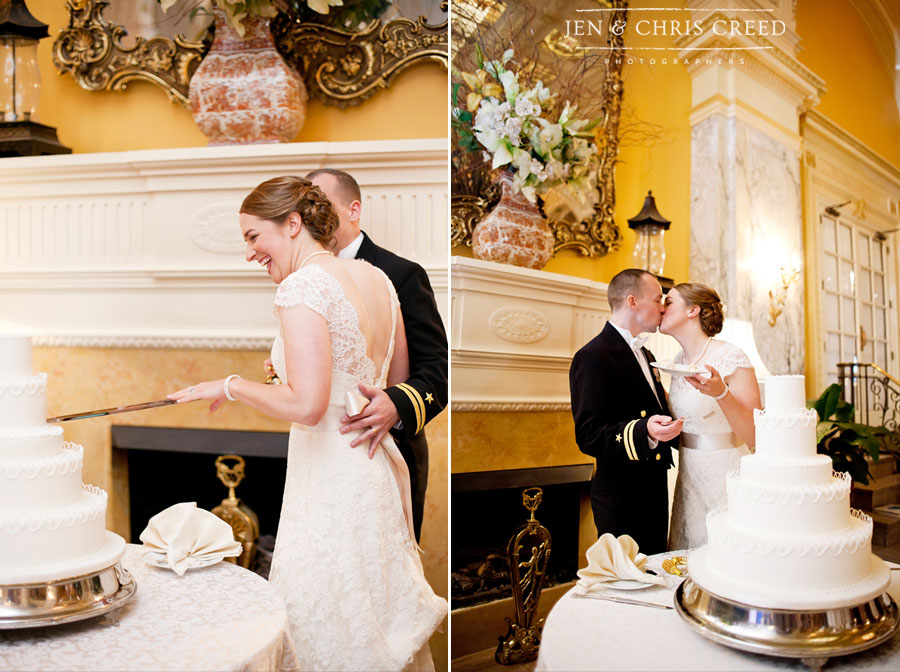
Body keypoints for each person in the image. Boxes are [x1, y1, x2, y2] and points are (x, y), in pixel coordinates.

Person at [169, 176, 446, 671]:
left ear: (293, 224)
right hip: (374, 469)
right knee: (373, 615)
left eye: (254, 237)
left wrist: (230, 386)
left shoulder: (303, 286)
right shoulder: (378, 280)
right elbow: (397, 381)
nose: (250, 252)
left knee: (325, 618)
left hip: (329, 482)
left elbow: (308, 406)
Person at [307, 168, 447, 542]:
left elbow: (437, 370)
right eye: (308, 209)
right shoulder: (306, 278)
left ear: (354, 210)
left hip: (389, 446)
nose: (314, 219)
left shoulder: (402, 274)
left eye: (324, 206)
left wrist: (395, 404)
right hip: (326, 454)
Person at [569, 269, 683, 555]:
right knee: (627, 585)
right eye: (658, 299)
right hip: (621, 498)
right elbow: (588, 435)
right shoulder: (592, 356)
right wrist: (644, 430)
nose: (662, 307)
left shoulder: (647, 354)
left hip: (653, 490)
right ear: (632, 301)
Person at [660, 282, 762, 550]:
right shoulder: (677, 360)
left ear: (693, 310)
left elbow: (754, 434)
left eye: (669, 302)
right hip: (689, 477)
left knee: (725, 553)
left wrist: (721, 393)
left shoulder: (731, 356)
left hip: (725, 475)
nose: (661, 307)